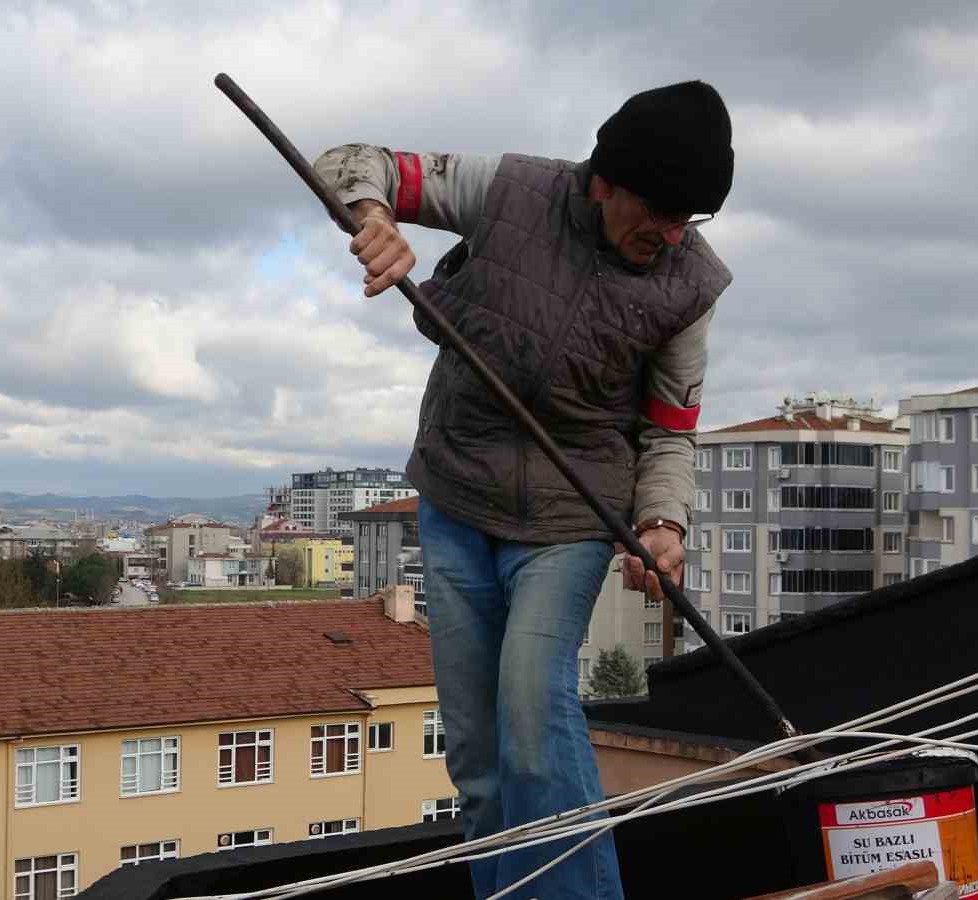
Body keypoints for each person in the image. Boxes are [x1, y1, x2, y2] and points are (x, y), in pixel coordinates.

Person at [313, 81, 734, 900]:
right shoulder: (511, 191)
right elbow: (347, 162)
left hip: (571, 516)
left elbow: (670, 429)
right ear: (604, 181)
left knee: (534, 719)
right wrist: (375, 221)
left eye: (691, 218)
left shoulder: (691, 285)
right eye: (660, 210)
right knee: (475, 755)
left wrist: (660, 522)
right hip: (457, 498)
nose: (673, 233)